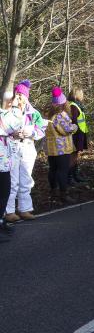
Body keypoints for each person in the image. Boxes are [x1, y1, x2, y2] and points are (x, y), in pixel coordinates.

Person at [3, 80, 46, 223]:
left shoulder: (33, 113)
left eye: (22, 94)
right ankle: (9, 211)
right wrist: (13, 133)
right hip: (12, 148)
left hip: (27, 147)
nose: (19, 97)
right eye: (17, 94)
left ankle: (24, 208)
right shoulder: (8, 111)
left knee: (26, 179)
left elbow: (41, 130)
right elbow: (4, 129)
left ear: (27, 96)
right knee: (12, 181)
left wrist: (32, 132)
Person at [45, 87, 79, 205]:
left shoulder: (49, 115)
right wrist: (75, 127)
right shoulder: (60, 116)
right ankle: (63, 194)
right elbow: (67, 129)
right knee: (62, 171)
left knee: (53, 170)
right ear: (63, 103)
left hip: (51, 149)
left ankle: (53, 192)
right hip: (62, 149)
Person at [0, 92, 26, 238]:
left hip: (4, 161)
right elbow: (12, 123)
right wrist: (16, 106)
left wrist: (13, 136)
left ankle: (1, 220)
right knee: (3, 192)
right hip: (1, 161)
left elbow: (8, 129)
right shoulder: (6, 115)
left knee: (4, 192)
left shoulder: (4, 114)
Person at [67, 87, 89, 184]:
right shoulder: (73, 106)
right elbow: (73, 122)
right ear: (77, 95)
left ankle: (75, 175)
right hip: (75, 136)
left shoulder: (76, 105)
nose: (82, 96)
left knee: (75, 156)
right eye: (81, 94)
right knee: (72, 157)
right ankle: (69, 177)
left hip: (78, 135)